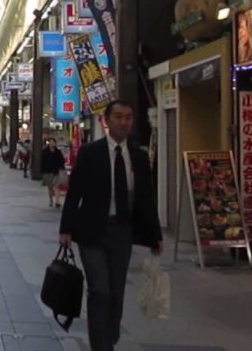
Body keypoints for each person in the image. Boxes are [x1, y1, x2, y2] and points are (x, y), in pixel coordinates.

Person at [59, 100, 162, 351]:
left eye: (128, 117)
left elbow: (146, 197)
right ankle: (100, 346)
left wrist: (155, 235)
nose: (123, 122)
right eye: (118, 116)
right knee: (100, 290)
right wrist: (66, 229)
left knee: (116, 291)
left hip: (121, 232)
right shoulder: (90, 152)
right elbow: (75, 193)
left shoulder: (138, 156)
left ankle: (109, 332)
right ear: (106, 120)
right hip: (92, 232)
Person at [41, 137, 66, 208]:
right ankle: (51, 200)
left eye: (53, 142)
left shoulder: (58, 152)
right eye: (51, 142)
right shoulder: (45, 151)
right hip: (47, 171)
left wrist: (61, 167)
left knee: (57, 187)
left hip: (56, 171)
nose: (52, 143)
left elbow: (62, 160)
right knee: (50, 187)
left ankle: (57, 202)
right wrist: (42, 170)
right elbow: (42, 161)